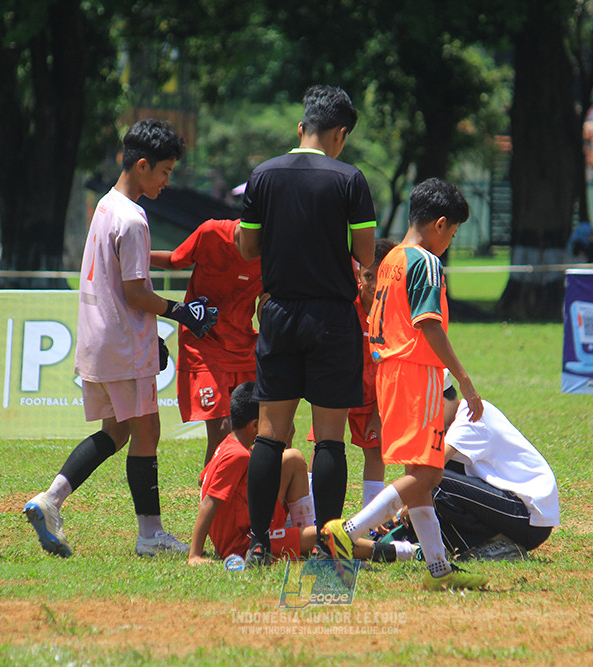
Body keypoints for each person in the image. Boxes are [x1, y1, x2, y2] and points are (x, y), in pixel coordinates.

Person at [23, 119, 218, 558]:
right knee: (147, 428)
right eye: (165, 172)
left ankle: (50, 499)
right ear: (143, 165)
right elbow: (135, 292)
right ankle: (150, 535)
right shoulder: (133, 219)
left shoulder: (107, 207)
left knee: (116, 430)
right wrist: (181, 313)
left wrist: (157, 334)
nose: (168, 182)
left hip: (100, 339)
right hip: (124, 343)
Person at [322, 177, 491, 591]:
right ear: (439, 223)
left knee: (419, 475)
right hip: (418, 374)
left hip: (389, 374)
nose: (450, 240)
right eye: (452, 232)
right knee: (428, 475)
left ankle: (439, 570)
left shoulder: (393, 257)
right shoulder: (425, 261)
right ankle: (349, 530)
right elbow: (429, 325)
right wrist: (466, 383)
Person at [237, 85, 377, 565]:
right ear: (340, 134)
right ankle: (329, 546)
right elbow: (364, 253)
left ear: (301, 128)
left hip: (278, 313)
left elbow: (246, 248)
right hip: (332, 318)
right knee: (330, 436)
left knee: (272, 434)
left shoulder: (263, 175)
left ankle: (258, 544)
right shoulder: (349, 179)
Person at [188, 382, 419, 566]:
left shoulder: (229, 446)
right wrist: (195, 554)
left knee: (293, 458)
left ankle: (297, 534)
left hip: (246, 525)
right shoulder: (238, 456)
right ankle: (406, 552)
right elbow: (209, 501)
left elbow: (204, 480)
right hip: (243, 543)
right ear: (256, 425)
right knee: (322, 537)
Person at [149, 218, 262, 466]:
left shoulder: (276, 247)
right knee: (223, 428)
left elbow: (267, 298)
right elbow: (175, 260)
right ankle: (211, 497)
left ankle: (254, 498)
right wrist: (134, 254)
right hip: (203, 342)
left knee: (268, 429)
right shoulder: (211, 232)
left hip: (244, 347)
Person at [306, 238, 397, 509]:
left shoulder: (394, 313)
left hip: (372, 396)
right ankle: (311, 510)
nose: (373, 284)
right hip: (338, 390)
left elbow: (392, 368)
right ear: (359, 273)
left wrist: (379, 413)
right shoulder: (345, 303)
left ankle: (372, 519)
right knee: (323, 444)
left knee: (375, 450)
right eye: (368, 275)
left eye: (381, 277)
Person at [434, 376, 560, 561]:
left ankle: (495, 544)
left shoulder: (471, 416)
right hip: (515, 511)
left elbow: (429, 471)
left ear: (437, 402)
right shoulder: (453, 422)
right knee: (436, 479)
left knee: (435, 480)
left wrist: (401, 505)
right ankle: (479, 544)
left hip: (528, 517)